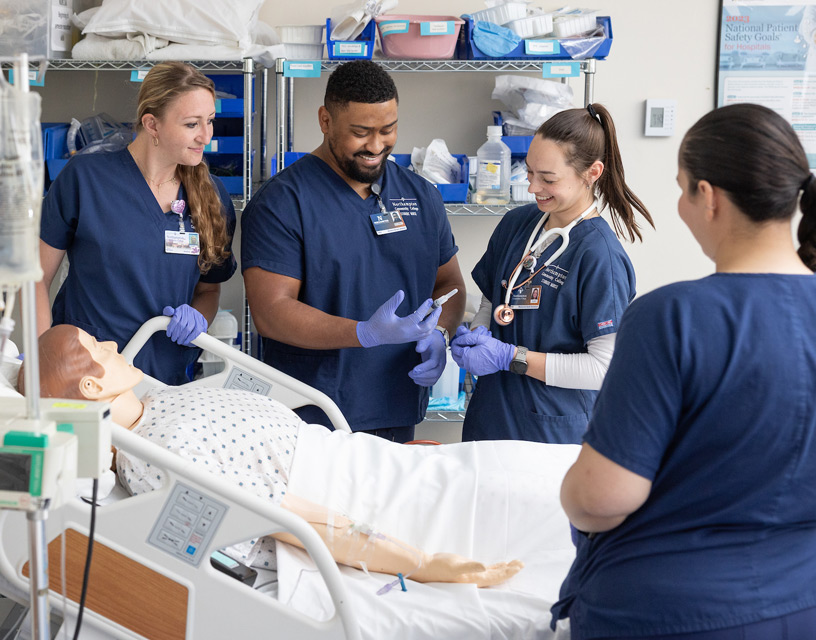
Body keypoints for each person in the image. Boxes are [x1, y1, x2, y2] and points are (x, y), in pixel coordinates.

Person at [553, 103, 816, 639]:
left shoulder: (670, 317)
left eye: (681, 188)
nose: (679, 204)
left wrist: (572, 492)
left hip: (667, 612)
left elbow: (601, 501)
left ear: (708, 197)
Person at [19, 324, 524, 588]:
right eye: (97, 348)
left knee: (509, 474)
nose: (112, 342)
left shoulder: (161, 402)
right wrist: (419, 561)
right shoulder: (156, 457)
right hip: (347, 490)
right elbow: (286, 517)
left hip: (355, 457)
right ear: (90, 385)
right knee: (520, 495)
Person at [241, 60, 466, 442]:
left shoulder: (420, 195)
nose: (376, 146)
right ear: (325, 120)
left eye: (388, 130)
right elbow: (272, 313)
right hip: (313, 414)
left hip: (398, 402)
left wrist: (440, 333)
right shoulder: (281, 202)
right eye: (360, 133)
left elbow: (448, 283)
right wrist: (364, 333)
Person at [452, 103, 652, 444]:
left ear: (592, 173)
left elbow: (603, 368)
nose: (532, 188)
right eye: (529, 173)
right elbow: (493, 298)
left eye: (548, 179)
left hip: (550, 431)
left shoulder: (598, 255)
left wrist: (511, 357)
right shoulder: (517, 223)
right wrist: (474, 336)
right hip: (491, 418)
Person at [35, 61, 237, 386]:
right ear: (152, 124)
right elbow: (36, 280)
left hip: (165, 381)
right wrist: (40, 359)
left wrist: (200, 315)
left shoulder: (213, 197)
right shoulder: (86, 180)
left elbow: (209, 289)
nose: (206, 136)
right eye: (191, 124)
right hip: (85, 374)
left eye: (210, 121)